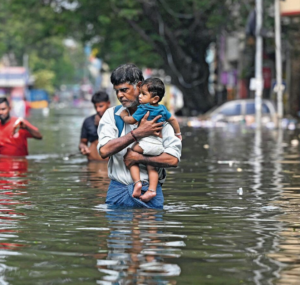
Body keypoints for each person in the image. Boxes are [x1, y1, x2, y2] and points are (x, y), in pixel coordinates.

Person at [97, 63, 182, 209]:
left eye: (124, 90)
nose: (120, 96)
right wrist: (137, 134)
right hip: (118, 191)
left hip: (151, 192)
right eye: (117, 91)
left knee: (150, 231)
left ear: (139, 86)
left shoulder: (160, 116)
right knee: (118, 230)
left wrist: (140, 158)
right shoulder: (113, 115)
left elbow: (173, 160)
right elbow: (104, 151)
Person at [120, 77, 182, 202]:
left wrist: (124, 116)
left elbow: (132, 120)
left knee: (130, 155)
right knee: (151, 165)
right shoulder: (163, 109)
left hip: (146, 143)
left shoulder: (143, 108)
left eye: (143, 94)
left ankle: (137, 182)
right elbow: (173, 120)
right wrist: (178, 133)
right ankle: (152, 190)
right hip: (159, 145)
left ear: (155, 99)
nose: (140, 97)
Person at [79, 91, 110, 161]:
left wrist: (102, 125)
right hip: (93, 162)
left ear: (108, 103)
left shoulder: (117, 119)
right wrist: (83, 147)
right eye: (95, 107)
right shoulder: (88, 121)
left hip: (111, 164)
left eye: (101, 106)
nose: (98, 109)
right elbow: (82, 142)